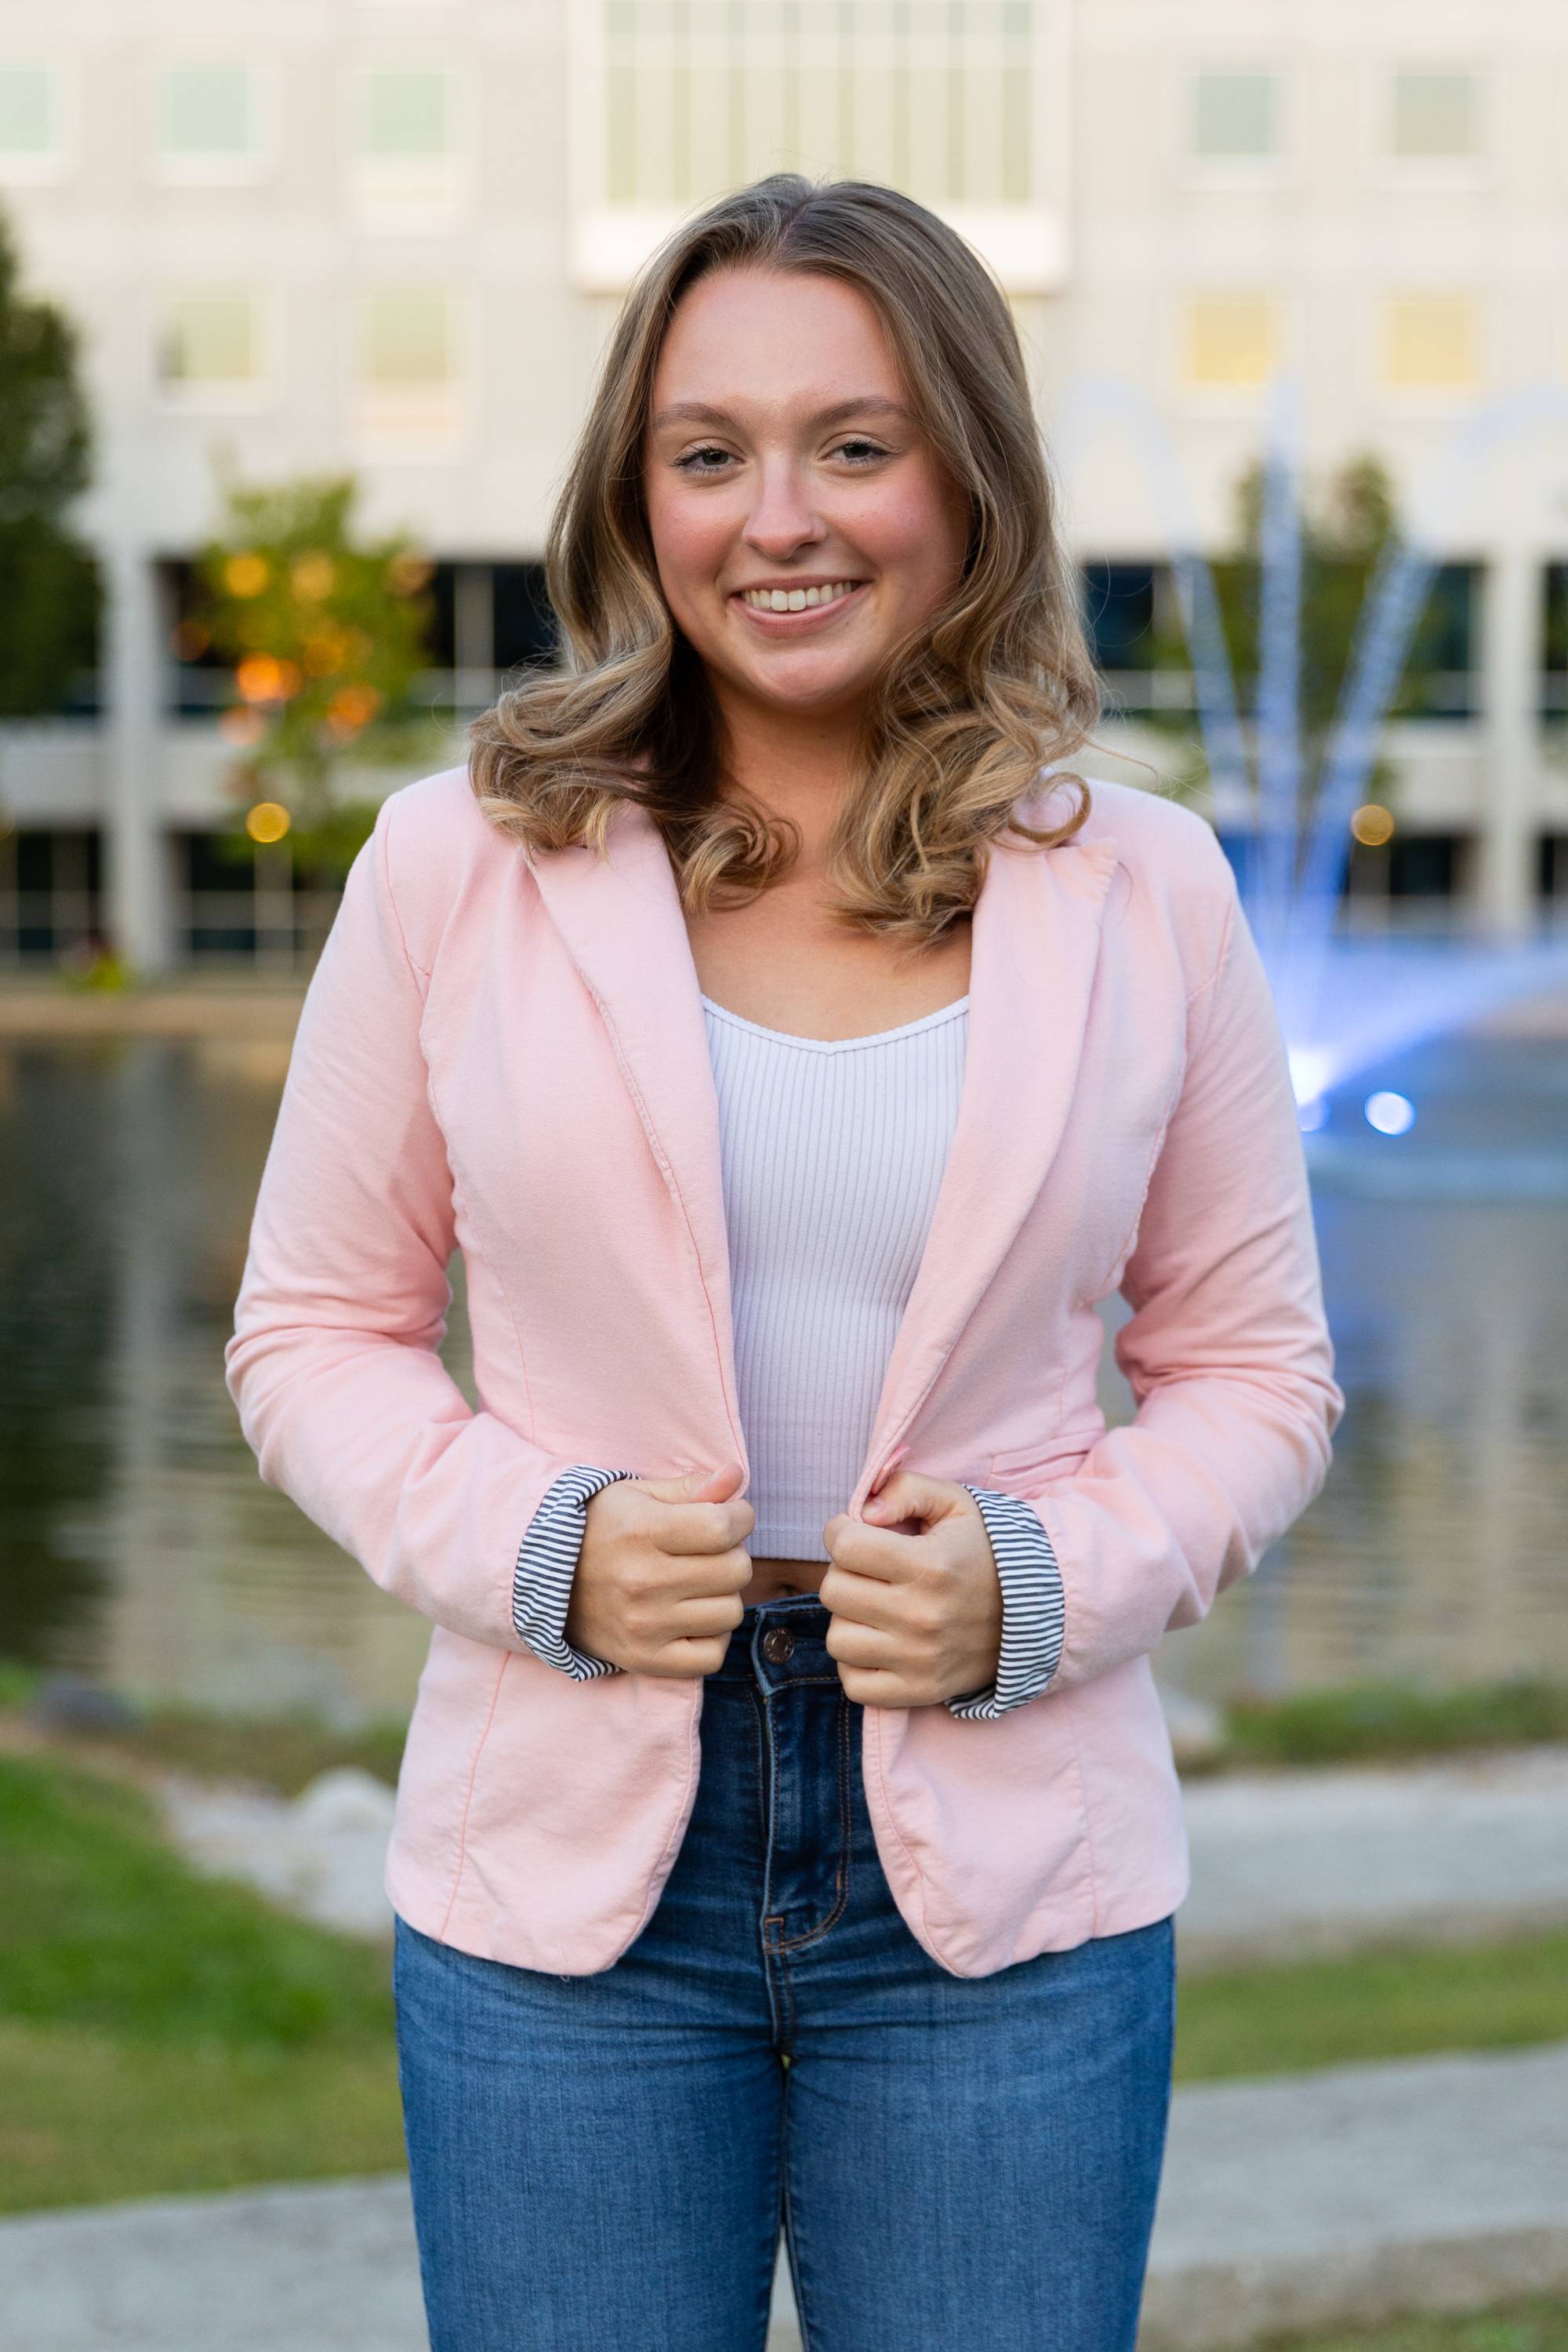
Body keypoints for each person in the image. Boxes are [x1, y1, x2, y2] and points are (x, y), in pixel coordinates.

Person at [225, 173, 1345, 2352]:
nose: (780, 519)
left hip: (1010, 1879)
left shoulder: (1149, 890)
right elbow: (312, 1334)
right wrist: (539, 1545)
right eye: (709, 453)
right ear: (634, 497)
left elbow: (1258, 1376)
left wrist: (1049, 1582)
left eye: (856, 443)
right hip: (567, 1864)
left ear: (968, 476)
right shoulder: (456, 866)